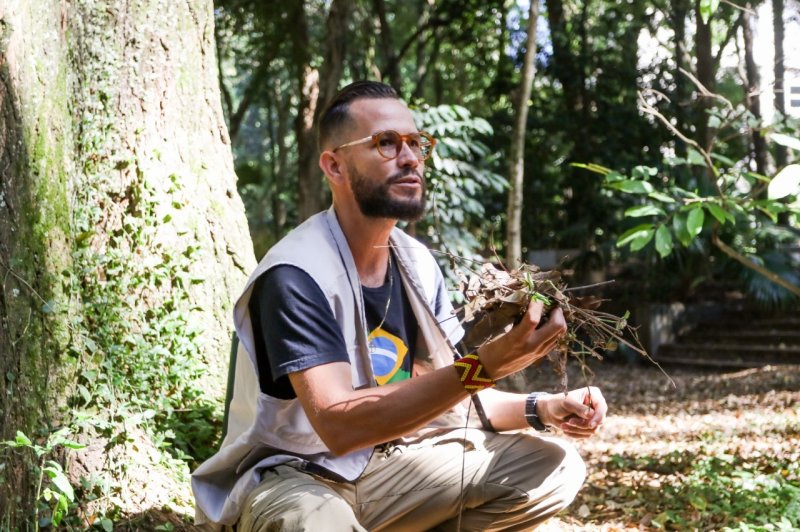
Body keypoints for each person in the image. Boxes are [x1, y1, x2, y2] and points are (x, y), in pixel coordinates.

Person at [192, 80, 607, 531]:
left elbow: (449, 395)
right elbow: (339, 425)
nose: (410, 158)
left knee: (553, 466)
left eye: (415, 143)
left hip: (388, 466)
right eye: (385, 144)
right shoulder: (295, 274)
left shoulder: (416, 264)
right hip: (295, 476)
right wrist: (484, 366)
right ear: (334, 166)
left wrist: (542, 407)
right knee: (314, 523)